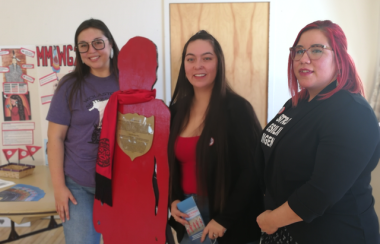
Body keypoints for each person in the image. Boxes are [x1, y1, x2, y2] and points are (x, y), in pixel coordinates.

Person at [256, 20, 380, 244]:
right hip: (288, 229)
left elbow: (320, 193)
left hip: (334, 233)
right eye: (299, 51)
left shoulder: (352, 112)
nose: (304, 58)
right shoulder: (297, 103)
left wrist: (272, 220)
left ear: (339, 57)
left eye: (316, 50)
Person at [168, 30, 263, 244]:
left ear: (219, 63)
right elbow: (170, 165)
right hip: (189, 212)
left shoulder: (238, 110)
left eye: (207, 58)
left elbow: (253, 169)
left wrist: (224, 220)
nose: (197, 65)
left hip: (230, 215)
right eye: (190, 59)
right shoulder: (174, 112)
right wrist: (172, 200)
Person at [46, 18, 119, 244]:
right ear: (78, 51)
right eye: (83, 45)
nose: (91, 50)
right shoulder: (69, 85)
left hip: (121, 184)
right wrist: (59, 187)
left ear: (110, 44)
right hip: (78, 185)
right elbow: (55, 137)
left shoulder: (128, 80)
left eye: (98, 42)